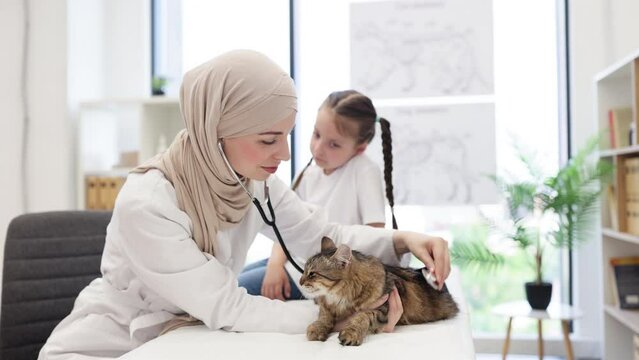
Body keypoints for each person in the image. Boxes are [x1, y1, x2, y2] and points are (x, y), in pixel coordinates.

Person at [39, 50, 451, 360]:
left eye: (287, 135)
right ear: (215, 129)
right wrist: (341, 316)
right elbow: (227, 305)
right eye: (269, 139)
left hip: (186, 339)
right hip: (111, 348)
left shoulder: (252, 181)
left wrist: (402, 239)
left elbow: (321, 238)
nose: (286, 154)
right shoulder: (147, 203)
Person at [239, 90, 399, 301]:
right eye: (316, 134)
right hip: (294, 259)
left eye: (334, 144)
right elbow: (286, 226)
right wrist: (275, 265)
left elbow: (375, 236)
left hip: (317, 276)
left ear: (360, 148)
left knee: (235, 289)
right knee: (230, 280)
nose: (318, 148)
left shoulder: (364, 171)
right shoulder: (308, 173)